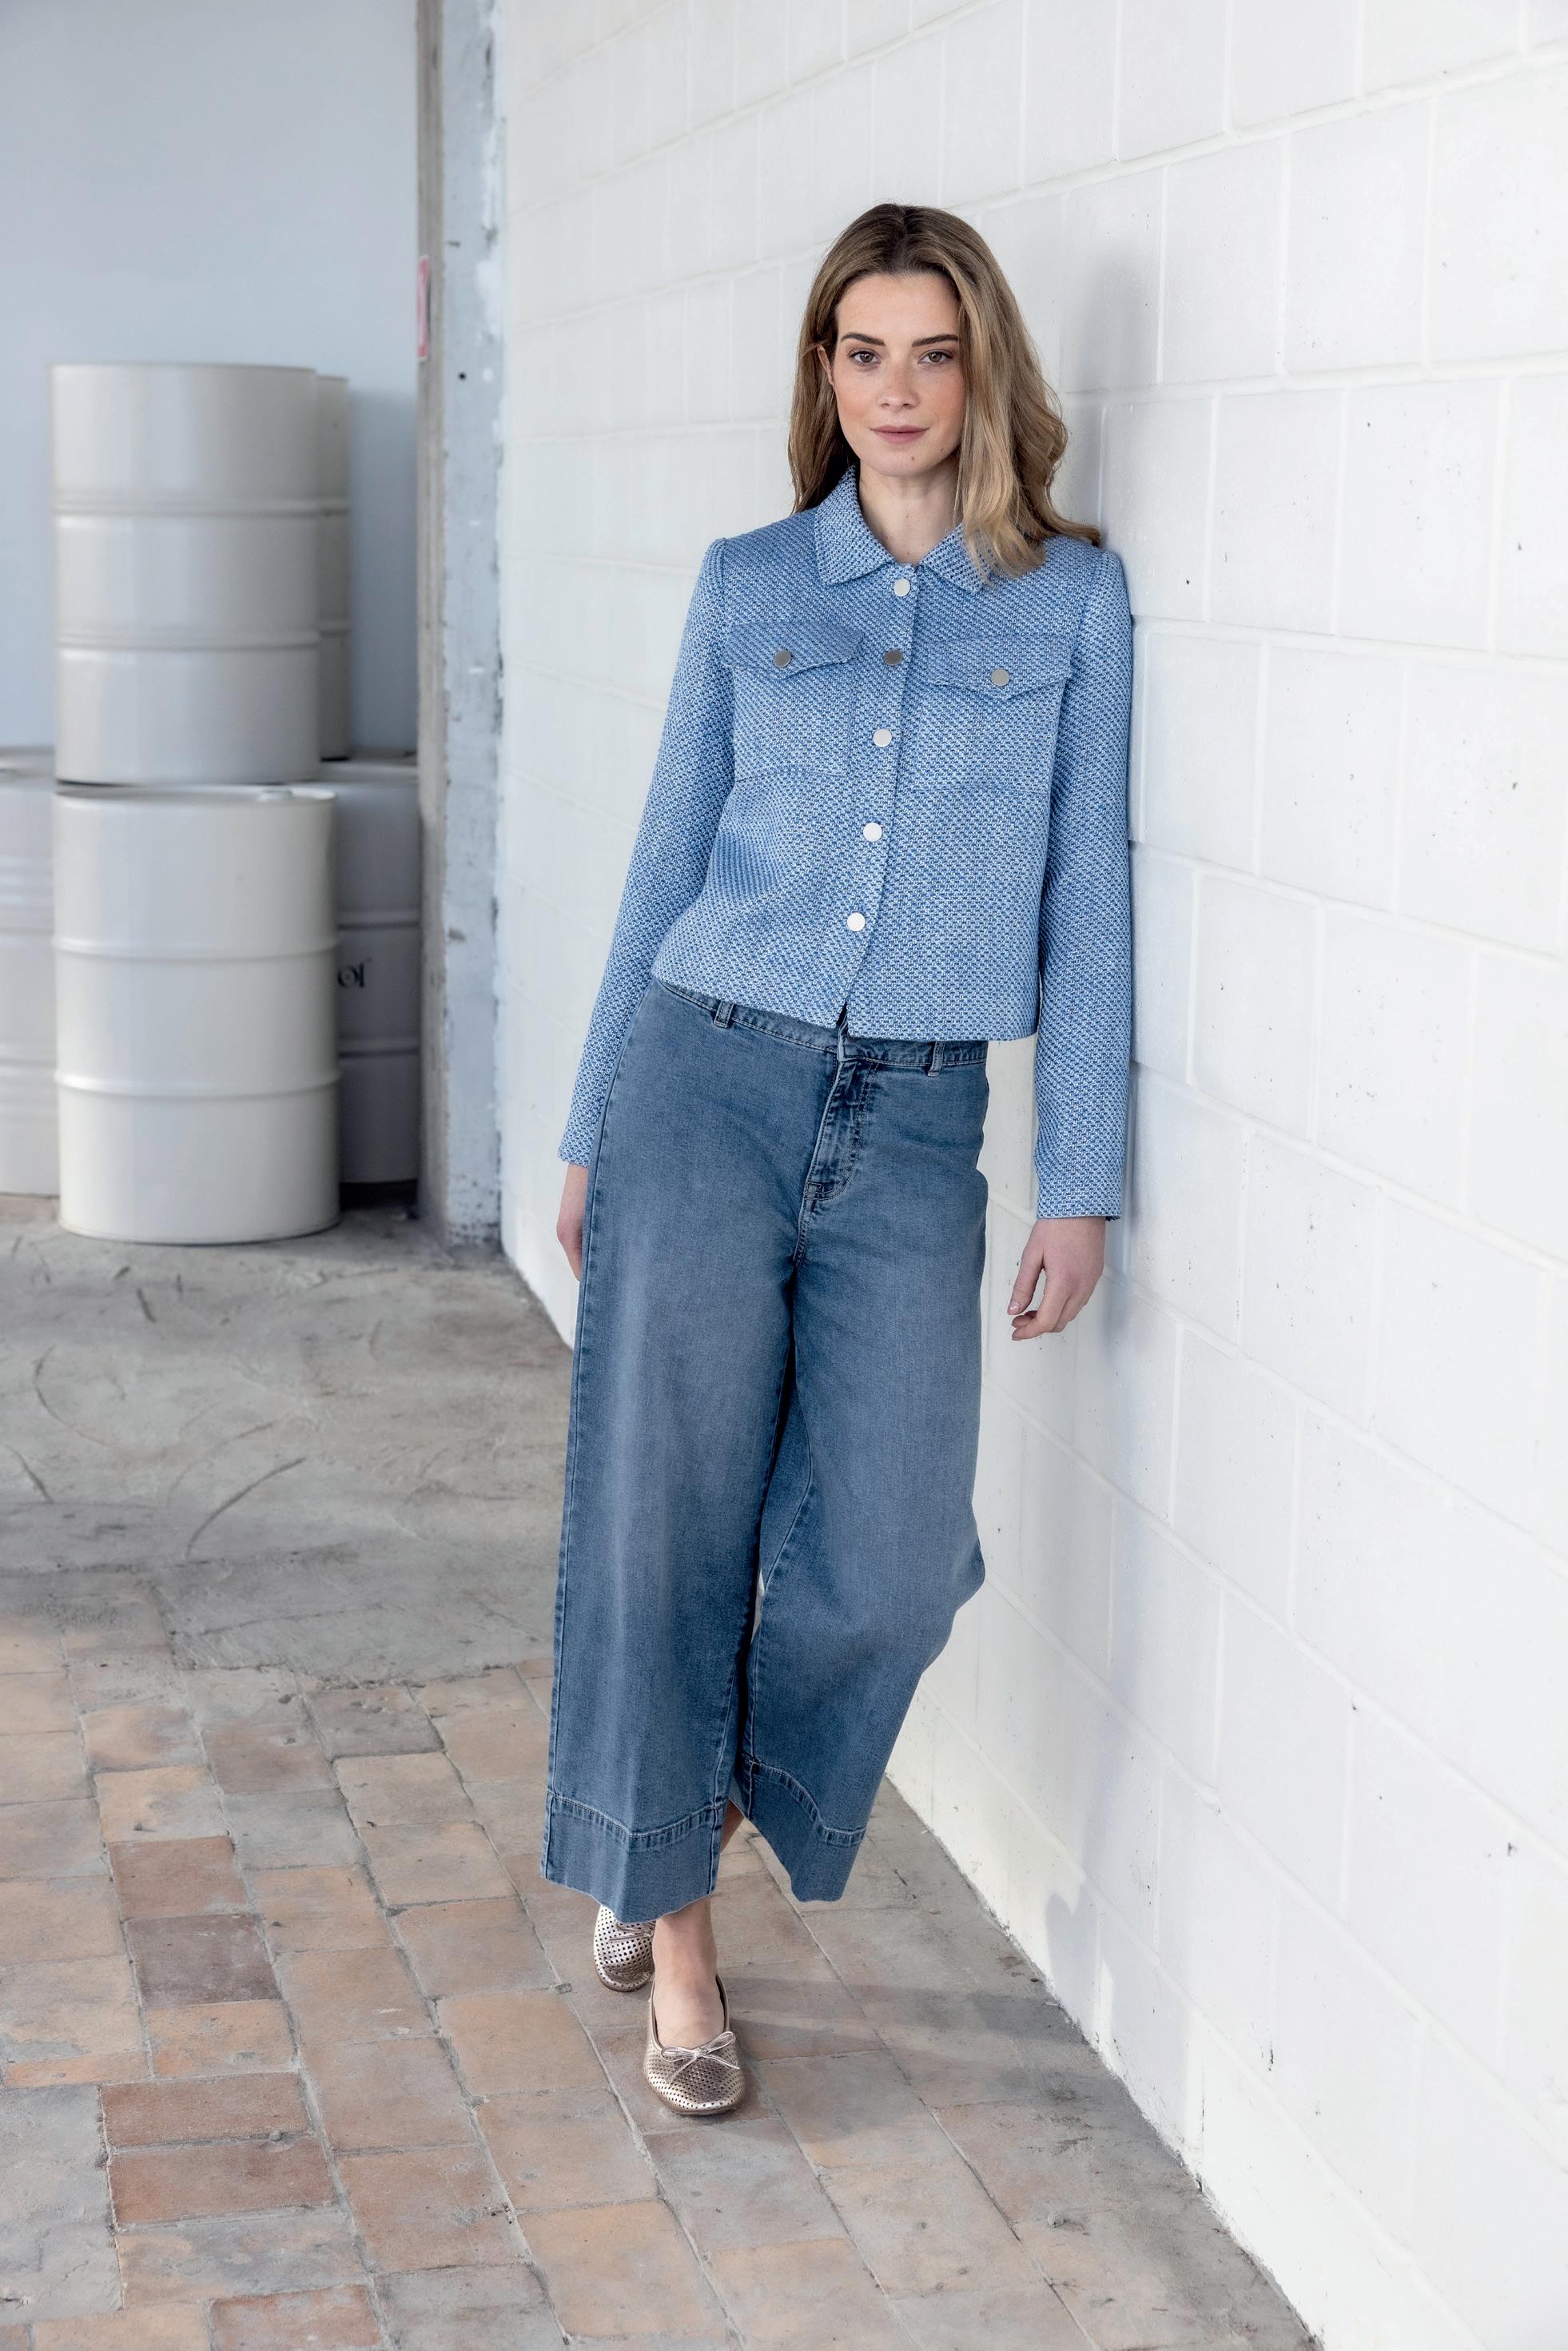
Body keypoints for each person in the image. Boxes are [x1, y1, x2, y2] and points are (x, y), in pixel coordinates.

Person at [541, 201, 1134, 2118]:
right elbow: (664, 860)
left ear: (983, 373)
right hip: (703, 1084)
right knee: (669, 1517)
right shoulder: (747, 587)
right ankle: (676, 1945)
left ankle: (669, 1812)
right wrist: (587, 1131)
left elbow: (1090, 901)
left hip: (920, 1122)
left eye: (932, 354)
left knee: (887, 1560)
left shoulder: (1070, 605)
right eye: (863, 353)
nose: (897, 390)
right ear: (824, 372)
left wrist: (1081, 1178)